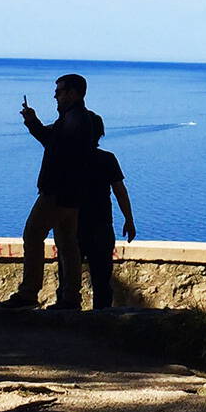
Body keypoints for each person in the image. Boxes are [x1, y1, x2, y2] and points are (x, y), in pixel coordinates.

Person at [0, 73, 99, 310]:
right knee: (67, 244)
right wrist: (32, 121)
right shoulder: (77, 118)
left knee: (32, 235)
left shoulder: (73, 120)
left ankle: (29, 293)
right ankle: (71, 298)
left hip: (57, 191)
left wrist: (34, 123)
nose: (55, 95)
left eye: (60, 91)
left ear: (73, 93)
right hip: (72, 193)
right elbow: (52, 140)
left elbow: (54, 145)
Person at [77, 117, 136, 309]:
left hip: (73, 226)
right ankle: (101, 318)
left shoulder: (68, 158)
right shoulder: (107, 159)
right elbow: (120, 191)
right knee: (102, 280)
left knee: (68, 277)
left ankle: (69, 314)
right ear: (100, 134)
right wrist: (129, 219)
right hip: (101, 225)